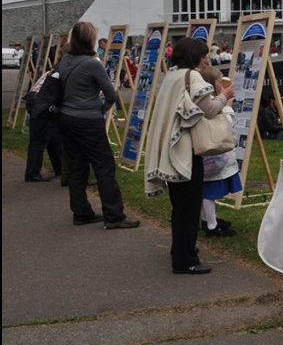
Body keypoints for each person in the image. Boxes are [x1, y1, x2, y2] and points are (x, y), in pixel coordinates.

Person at [144, 38, 235, 274]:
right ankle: (185, 260)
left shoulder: (173, 76)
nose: (207, 59)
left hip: (172, 151)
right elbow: (209, 110)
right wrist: (224, 96)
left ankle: (181, 251)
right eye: (203, 55)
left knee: (180, 206)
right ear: (194, 56)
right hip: (185, 151)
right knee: (189, 208)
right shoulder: (192, 76)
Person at [56, 22, 139, 229]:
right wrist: (101, 108)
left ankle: (81, 212)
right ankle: (114, 215)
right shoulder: (92, 63)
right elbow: (110, 95)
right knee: (104, 166)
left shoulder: (66, 59)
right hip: (87, 119)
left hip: (66, 117)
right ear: (90, 40)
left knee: (76, 166)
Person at [198, 67, 240, 237]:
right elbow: (225, 127)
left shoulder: (209, 101)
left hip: (213, 155)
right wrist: (228, 107)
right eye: (219, 82)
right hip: (212, 156)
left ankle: (209, 219)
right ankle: (211, 226)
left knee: (208, 189)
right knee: (210, 190)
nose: (223, 85)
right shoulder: (213, 104)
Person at [23, 67, 63, 182]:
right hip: (42, 104)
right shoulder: (64, 71)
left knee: (53, 137)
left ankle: (59, 167)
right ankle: (32, 173)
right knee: (40, 138)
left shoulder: (55, 69)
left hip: (37, 101)